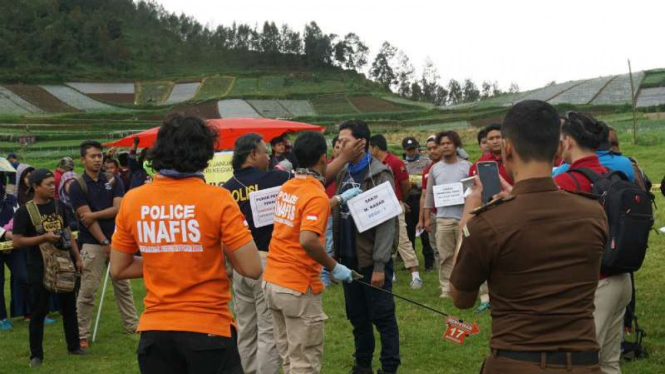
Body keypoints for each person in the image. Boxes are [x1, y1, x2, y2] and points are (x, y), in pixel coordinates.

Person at [450, 100, 607, 374]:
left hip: (514, 363)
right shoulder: (593, 213)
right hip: (584, 363)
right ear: (558, 148)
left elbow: (461, 298)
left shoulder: (487, 223)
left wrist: (466, 220)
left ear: (507, 148)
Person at [110, 114, 262, 374]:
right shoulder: (218, 199)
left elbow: (119, 268)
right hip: (208, 329)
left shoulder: (133, 200)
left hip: (156, 333)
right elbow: (252, 267)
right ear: (205, 153)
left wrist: (166, 258)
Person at [263, 131, 354, 374]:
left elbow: (306, 211)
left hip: (273, 282)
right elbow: (308, 240)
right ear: (323, 158)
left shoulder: (289, 185)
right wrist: (335, 266)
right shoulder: (314, 193)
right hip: (298, 288)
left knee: (290, 360)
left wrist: (337, 199)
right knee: (305, 364)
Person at [554, 111, 630, 374]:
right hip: (621, 278)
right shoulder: (609, 173)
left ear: (569, 142)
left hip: (594, 283)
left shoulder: (564, 181)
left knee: (579, 365)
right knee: (609, 363)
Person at [333, 120, 401, 374]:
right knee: (358, 317)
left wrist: (380, 264)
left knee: (382, 317)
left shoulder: (379, 174)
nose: (339, 145)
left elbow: (387, 223)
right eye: (338, 141)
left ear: (361, 143)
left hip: (373, 258)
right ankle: (362, 365)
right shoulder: (343, 172)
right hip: (348, 258)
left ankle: (389, 367)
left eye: (345, 141)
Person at [223, 133, 290, 374]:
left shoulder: (226, 189)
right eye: (264, 151)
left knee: (246, 329)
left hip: (238, 263)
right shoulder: (276, 178)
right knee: (268, 332)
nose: (269, 156)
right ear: (252, 154)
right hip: (265, 262)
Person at [12, 169, 85, 367]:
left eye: (54, 183)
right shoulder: (24, 211)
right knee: (38, 311)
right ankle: (36, 355)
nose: (53, 187)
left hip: (63, 262)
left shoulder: (59, 205)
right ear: (35, 187)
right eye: (48, 184)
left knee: (69, 307)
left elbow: (69, 233)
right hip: (38, 266)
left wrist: (77, 258)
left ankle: (74, 346)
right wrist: (43, 237)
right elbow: (17, 241)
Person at [69, 140, 139, 348]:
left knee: (124, 287)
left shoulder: (113, 179)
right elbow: (85, 220)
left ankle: (132, 325)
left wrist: (95, 214)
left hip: (118, 241)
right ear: (83, 159)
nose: (98, 159)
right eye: (93, 156)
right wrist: (104, 241)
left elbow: (118, 209)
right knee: (88, 291)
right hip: (92, 243)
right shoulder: (77, 186)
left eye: (100, 156)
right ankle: (81, 334)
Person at [369, 134, 422, 289]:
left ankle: (415, 275)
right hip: (379, 205)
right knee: (383, 240)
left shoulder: (395, 162)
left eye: (370, 148)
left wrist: (400, 201)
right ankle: (390, 274)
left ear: (375, 147)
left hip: (394, 204)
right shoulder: (372, 164)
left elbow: (405, 185)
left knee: (402, 239)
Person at [423, 131, 471, 299]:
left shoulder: (467, 166)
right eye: (442, 144)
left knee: (467, 255)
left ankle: (469, 287)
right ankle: (446, 288)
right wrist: (427, 218)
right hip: (443, 219)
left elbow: (474, 191)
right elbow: (429, 195)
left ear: (456, 145)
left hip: (464, 219)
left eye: (448, 143)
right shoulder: (435, 169)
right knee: (445, 256)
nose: (445, 146)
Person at [401, 137, 435, 271]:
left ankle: (429, 262)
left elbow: (429, 180)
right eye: (409, 150)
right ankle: (410, 262)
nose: (412, 152)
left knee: (425, 232)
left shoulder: (427, 162)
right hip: (408, 199)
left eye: (414, 149)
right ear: (404, 150)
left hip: (422, 198)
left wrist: (417, 183)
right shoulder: (402, 164)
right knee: (408, 232)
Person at [416, 135, 441, 267]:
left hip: (453, 214)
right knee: (436, 249)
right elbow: (424, 196)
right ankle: (444, 282)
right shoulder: (427, 171)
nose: (432, 151)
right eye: (429, 149)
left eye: (435, 148)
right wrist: (422, 219)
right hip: (434, 216)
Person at [0, 183, 19, 331]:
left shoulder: (10, 198)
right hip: (5, 237)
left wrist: (13, 233)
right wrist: (3, 234)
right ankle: (2, 318)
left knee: (25, 276)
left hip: (13, 244)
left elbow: (17, 216)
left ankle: (31, 312)